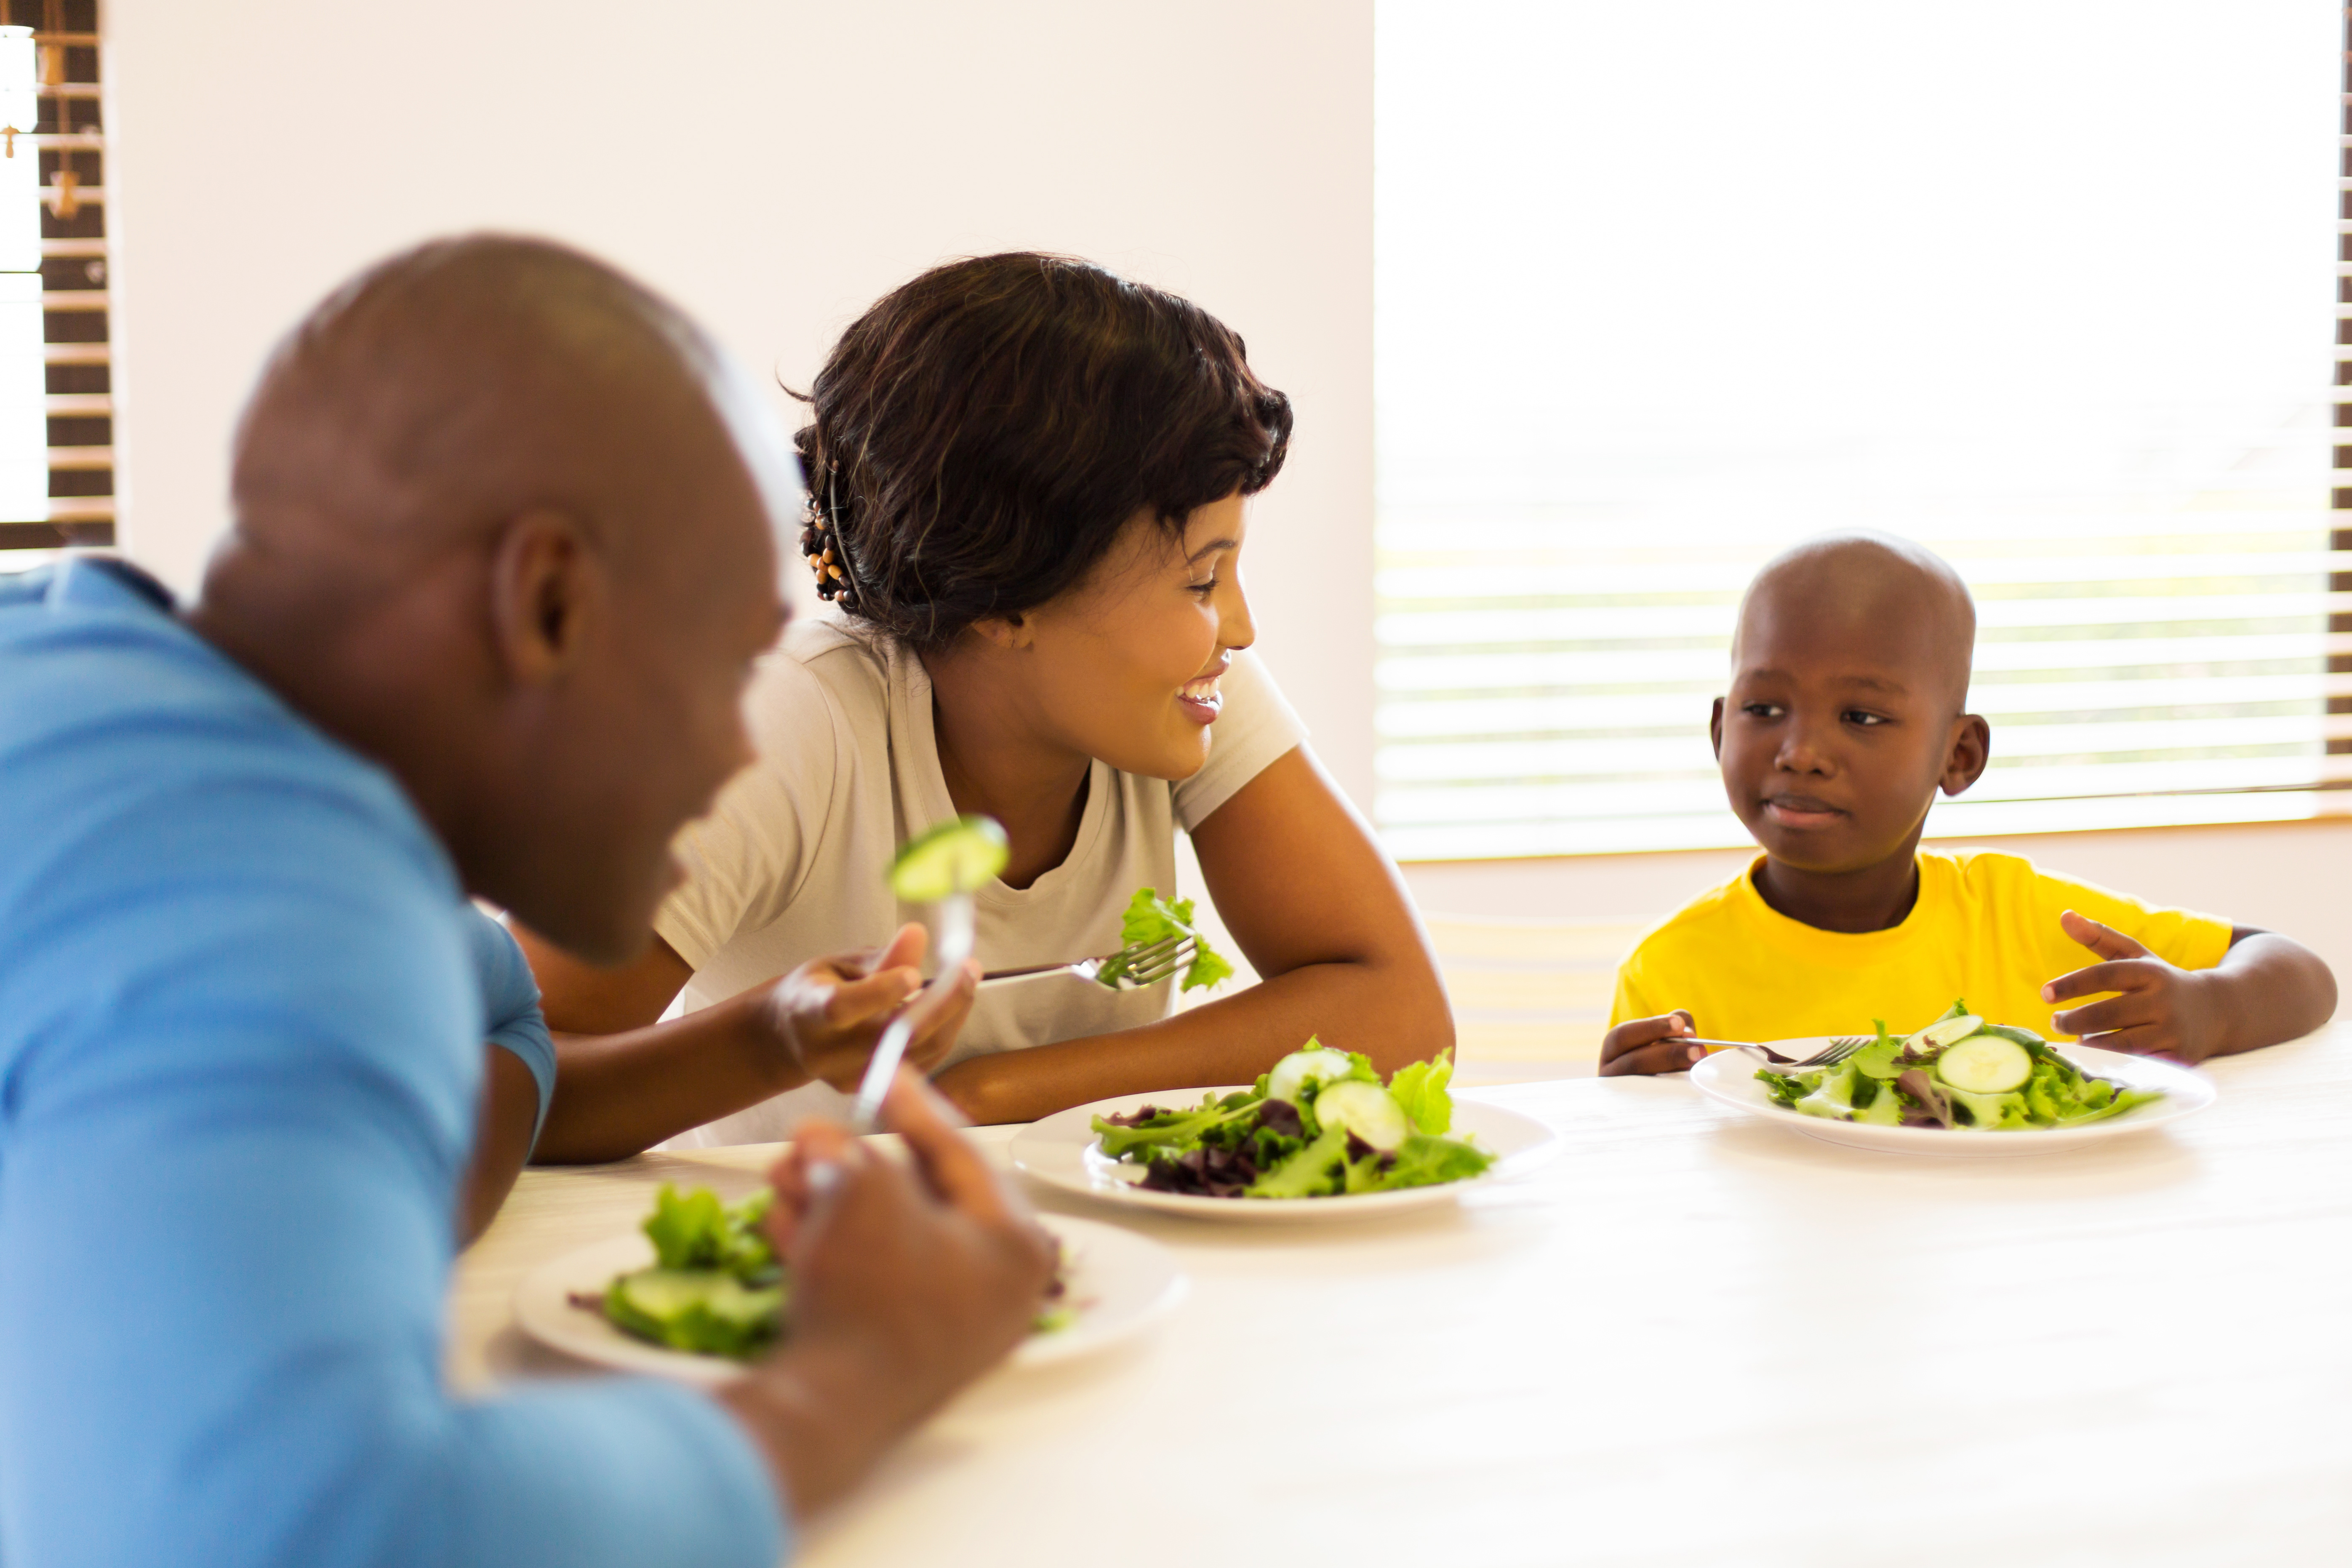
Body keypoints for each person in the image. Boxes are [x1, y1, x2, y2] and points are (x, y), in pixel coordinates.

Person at [0, 235, 1055, 1568]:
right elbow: (300, 1534)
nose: (741, 749)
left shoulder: (77, 668)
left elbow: (485, 1027)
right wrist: (849, 1375)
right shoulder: (288, 909)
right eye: (727, 666)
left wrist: (761, 1042)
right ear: (548, 599)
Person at [521, 252, 1452, 1153]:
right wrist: (772, 1037)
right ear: (1009, 601)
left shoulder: (1188, 692)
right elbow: (501, 1077)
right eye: (1202, 581)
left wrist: (997, 1092)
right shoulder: (787, 727)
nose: (1240, 628)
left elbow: (1398, 1006)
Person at [1600, 532, 2337, 1075]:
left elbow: (2299, 972)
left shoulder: (2020, 918)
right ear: (1719, 728)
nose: (1799, 751)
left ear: (1958, 757)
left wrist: (2208, 1009)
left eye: (1859, 718)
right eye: (1764, 708)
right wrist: (1627, 1106)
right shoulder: (1672, 969)